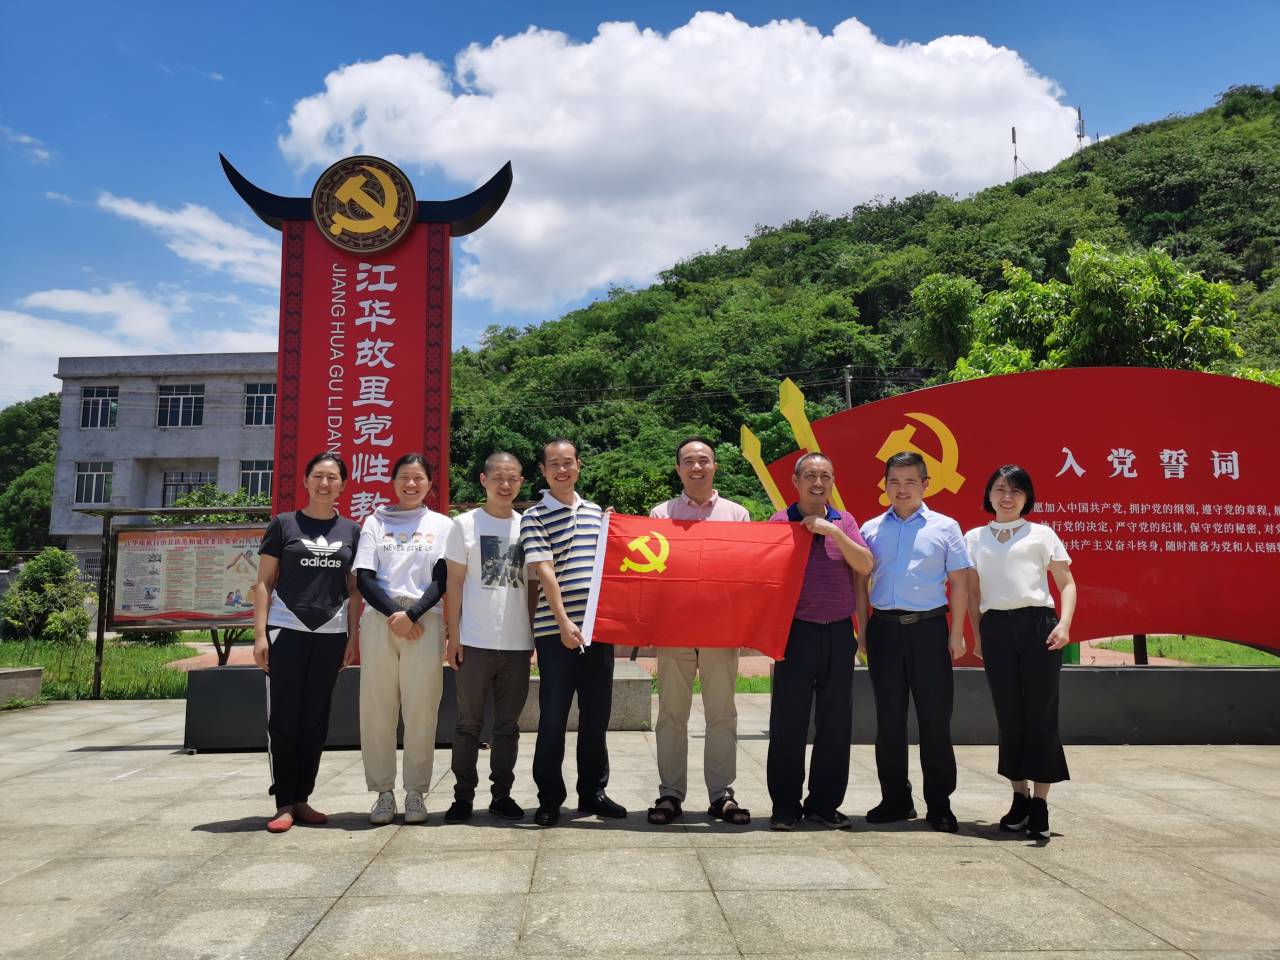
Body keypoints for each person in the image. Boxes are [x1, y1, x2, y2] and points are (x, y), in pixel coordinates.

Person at [857, 451, 973, 832]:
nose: (901, 489)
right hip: (884, 630)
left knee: (934, 720)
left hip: (929, 630)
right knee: (889, 720)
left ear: (926, 484)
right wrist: (863, 630)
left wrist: (957, 633)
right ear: (885, 485)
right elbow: (861, 582)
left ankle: (939, 803)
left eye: (910, 481)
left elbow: (959, 581)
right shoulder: (871, 529)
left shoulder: (945, 527)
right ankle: (895, 799)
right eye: (894, 481)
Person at [964, 465, 1076, 841]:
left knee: (1041, 714)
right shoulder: (974, 538)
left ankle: (1041, 802)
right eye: (1000, 489)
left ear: (1027, 497)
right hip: (996, 627)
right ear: (989, 495)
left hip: (1039, 627)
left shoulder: (1042, 534)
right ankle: (1019, 796)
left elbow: (1067, 583)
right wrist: (978, 633)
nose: (1007, 497)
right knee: (1009, 714)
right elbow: (973, 592)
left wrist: (1064, 624)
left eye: (1015, 490)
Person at [251, 452, 361, 834]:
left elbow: (354, 589)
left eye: (332, 477)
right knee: (284, 718)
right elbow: (264, 582)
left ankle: (303, 798)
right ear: (305, 480)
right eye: (318, 475)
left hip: (331, 633)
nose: (324, 483)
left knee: (315, 719)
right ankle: (284, 801)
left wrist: (353, 635)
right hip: (286, 629)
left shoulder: (351, 530)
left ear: (343, 485)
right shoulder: (283, 525)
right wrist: (260, 634)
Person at [647, 437, 753, 827]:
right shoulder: (660, 515)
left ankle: (721, 793)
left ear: (715, 466)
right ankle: (670, 793)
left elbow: (747, 573)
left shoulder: (737, 514)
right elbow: (650, 572)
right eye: (689, 461)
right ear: (678, 469)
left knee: (722, 714)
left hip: (720, 629)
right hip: (674, 628)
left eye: (704, 460)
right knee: (671, 714)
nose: (697, 467)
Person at [521, 438, 626, 827]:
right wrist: (565, 622)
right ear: (544, 471)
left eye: (568, 462)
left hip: (598, 630)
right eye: (554, 464)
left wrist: (615, 527)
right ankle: (549, 798)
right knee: (553, 717)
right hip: (555, 632)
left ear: (579, 465)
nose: (562, 470)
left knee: (596, 716)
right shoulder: (534, 516)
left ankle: (592, 792)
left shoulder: (596, 513)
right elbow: (545, 571)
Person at [766, 452, 874, 831]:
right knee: (788, 723)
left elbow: (865, 565)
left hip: (839, 632)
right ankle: (785, 806)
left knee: (836, 722)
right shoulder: (779, 522)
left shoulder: (845, 521)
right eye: (810, 475)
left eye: (825, 476)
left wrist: (834, 532)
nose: (818, 483)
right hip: (795, 634)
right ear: (795, 482)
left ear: (832, 482)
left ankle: (824, 805)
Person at [353, 453, 453, 825]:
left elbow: (441, 579)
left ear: (429, 484)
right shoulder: (375, 521)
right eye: (404, 478)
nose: (411, 484)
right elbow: (364, 577)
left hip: (424, 619)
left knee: (421, 709)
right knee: (377, 708)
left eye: (418, 478)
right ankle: (383, 793)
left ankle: (415, 793)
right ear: (393, 481)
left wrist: (411, 615)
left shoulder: (442, 525)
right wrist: (393, 615)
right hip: (380, 620)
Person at [443, 452, 533, 823]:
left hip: (517, 644)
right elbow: (453, 584)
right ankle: (462, 797)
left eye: (512, 478)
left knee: (508, 727)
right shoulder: (464, 525)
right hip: (474, 641)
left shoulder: (528, 526)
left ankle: (502, 796)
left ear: (521, 482)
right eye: (498, 477)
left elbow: (533, 586)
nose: (505, 485)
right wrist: (453, 635)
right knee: (468, 724)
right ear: (484, 480)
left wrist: (532, 636)